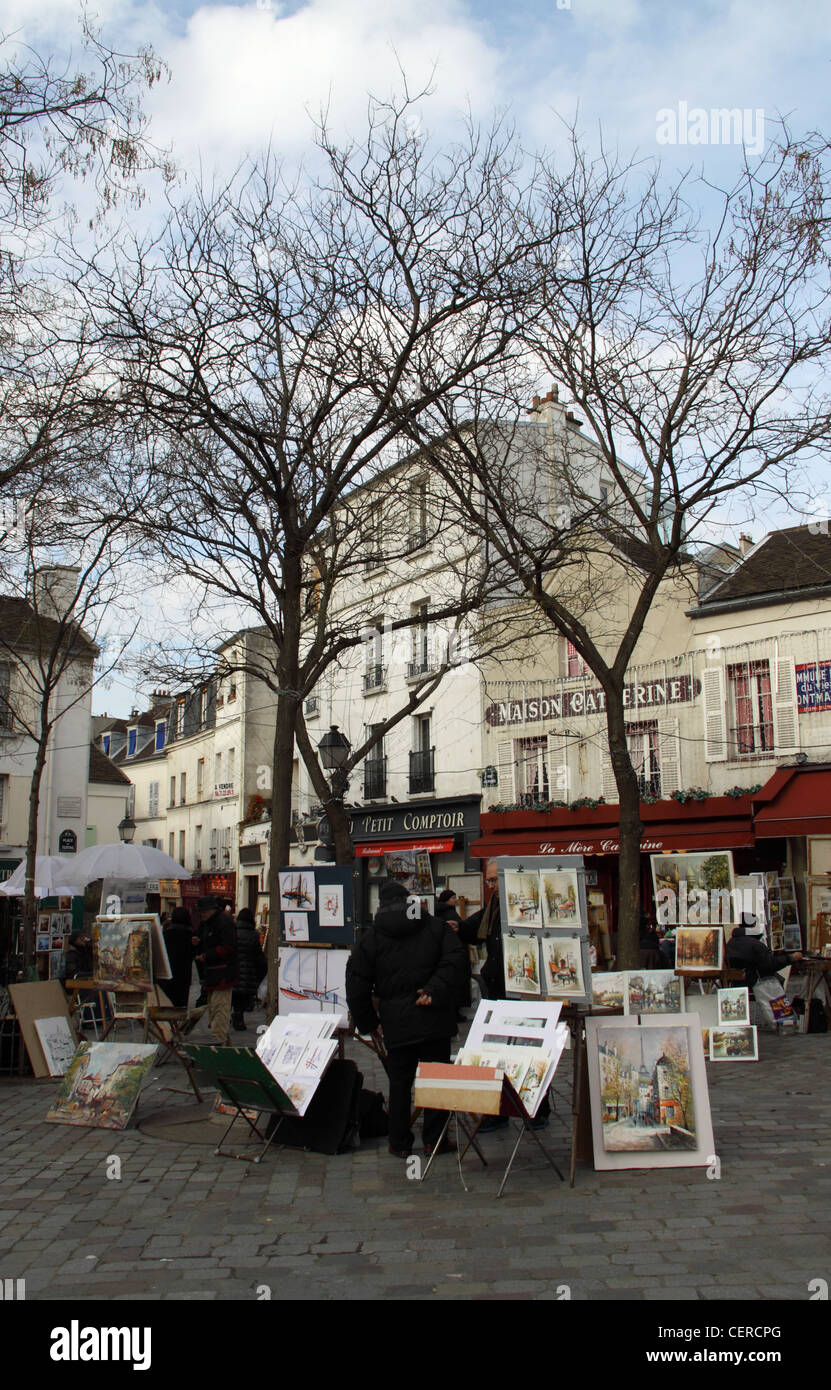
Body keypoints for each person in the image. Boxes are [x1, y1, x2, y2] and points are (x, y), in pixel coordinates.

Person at [346, 879, 467, 1158]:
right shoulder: (435, 927)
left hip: (396, 1020)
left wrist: (368, 1022)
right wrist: (434, 989)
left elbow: (356, 983)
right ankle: (434, 1140)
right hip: (433, 1016)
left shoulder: (371, 937)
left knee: (399, 1083)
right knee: (436, 1077)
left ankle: (399, 1141)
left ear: (382, 905)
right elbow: (456, 959)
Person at [726, 913, 803, 1030]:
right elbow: (770, 964)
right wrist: (791, 958)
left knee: (774, 979)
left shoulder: (731, 942)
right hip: (755, 981)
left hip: (736, 982)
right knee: (776, 982)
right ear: (753, 926)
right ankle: (781, 1020)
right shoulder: (755, 944)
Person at [192, 896, 238, 1045]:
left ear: (212, 909)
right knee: (215, 1008)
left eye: (204, 911)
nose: (202, 914)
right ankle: (222, 1040)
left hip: (223, 972)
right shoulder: (207, 923)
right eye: (201, 912)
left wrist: (206, 955)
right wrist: (198, 942)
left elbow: (228, 947)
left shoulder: (224, 922)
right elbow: (207, 941)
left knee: (220, 1008)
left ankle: (219, 1041)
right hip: (212, 972)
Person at [435, 888, 471, 1013]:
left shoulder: (439, 912)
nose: (455, 900)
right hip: (454, 952)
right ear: (446, 900)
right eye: (453, 898)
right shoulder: (449, 913)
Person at [232, 907, 267, 1031]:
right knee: (243, 996)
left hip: (233, 970)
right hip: (249, 971)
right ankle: (239, 1016)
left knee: (234, 995)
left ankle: (235, 1014)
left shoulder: (232, 932)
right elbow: (258, 956)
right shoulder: (253, 934)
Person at [163, 907, 196, 1009]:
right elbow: (193, 954)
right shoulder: (190, 935)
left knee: (168, 1002)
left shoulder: (166, 934)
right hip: (184, 974)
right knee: (180, 1005)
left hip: (168, 973)